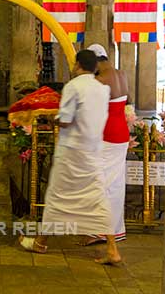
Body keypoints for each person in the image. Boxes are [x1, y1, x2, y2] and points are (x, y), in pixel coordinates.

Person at [19, 50, 122, 264]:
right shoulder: (102, 89)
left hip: (72, 152)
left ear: (77, 65)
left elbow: (65, 120)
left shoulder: (73, 86)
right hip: (93, 151)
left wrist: (48, 115)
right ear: (95, 67)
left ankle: (40, 242)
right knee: (99, 198)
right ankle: (112, 250)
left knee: (56, 197)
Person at [80, 43, 130, 246]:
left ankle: (100, 232)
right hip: (121, 135)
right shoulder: (122, 75)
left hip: (107, 136)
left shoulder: (100, 80)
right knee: (115, 184)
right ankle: (115, 230)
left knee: (99, 184)